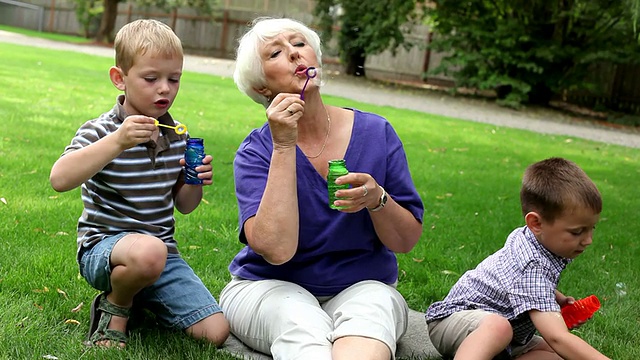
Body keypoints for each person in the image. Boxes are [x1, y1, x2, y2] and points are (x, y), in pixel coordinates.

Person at [218, 17, 424, 360]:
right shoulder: (256, 151)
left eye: (299, 44)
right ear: (262, 88)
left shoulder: (377, 133)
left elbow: (405, 241)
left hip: (362, 285)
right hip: (269, 287)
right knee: (302, 324)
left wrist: (377, 199)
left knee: (371, 320)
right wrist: (284, 147)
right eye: (275, 54)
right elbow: (276, 250)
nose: (296, 55)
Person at [49, 19, 229, 348]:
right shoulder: (100, 132)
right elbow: (59, 179)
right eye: (151, 78)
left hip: (162, 256)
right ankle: (117, 303)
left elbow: (185, 206)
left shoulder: (177, 137)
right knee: (149, 251)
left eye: (174, 79)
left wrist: (195, 180)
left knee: (214, 333)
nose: (165, 88)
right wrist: (118, 141)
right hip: (103, 252)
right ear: (120, 79)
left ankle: (141, 291)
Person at [425, 157, 610, 359]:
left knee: (554, 354)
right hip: (452, 322)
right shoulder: (531, 265)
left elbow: (523, 283)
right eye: (577, 232)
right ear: (536, 223)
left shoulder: (537, 242)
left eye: (592, 229)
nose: (588, 240)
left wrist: (557, 299)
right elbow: (557, 336)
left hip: (505, 335)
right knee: (501, 328)